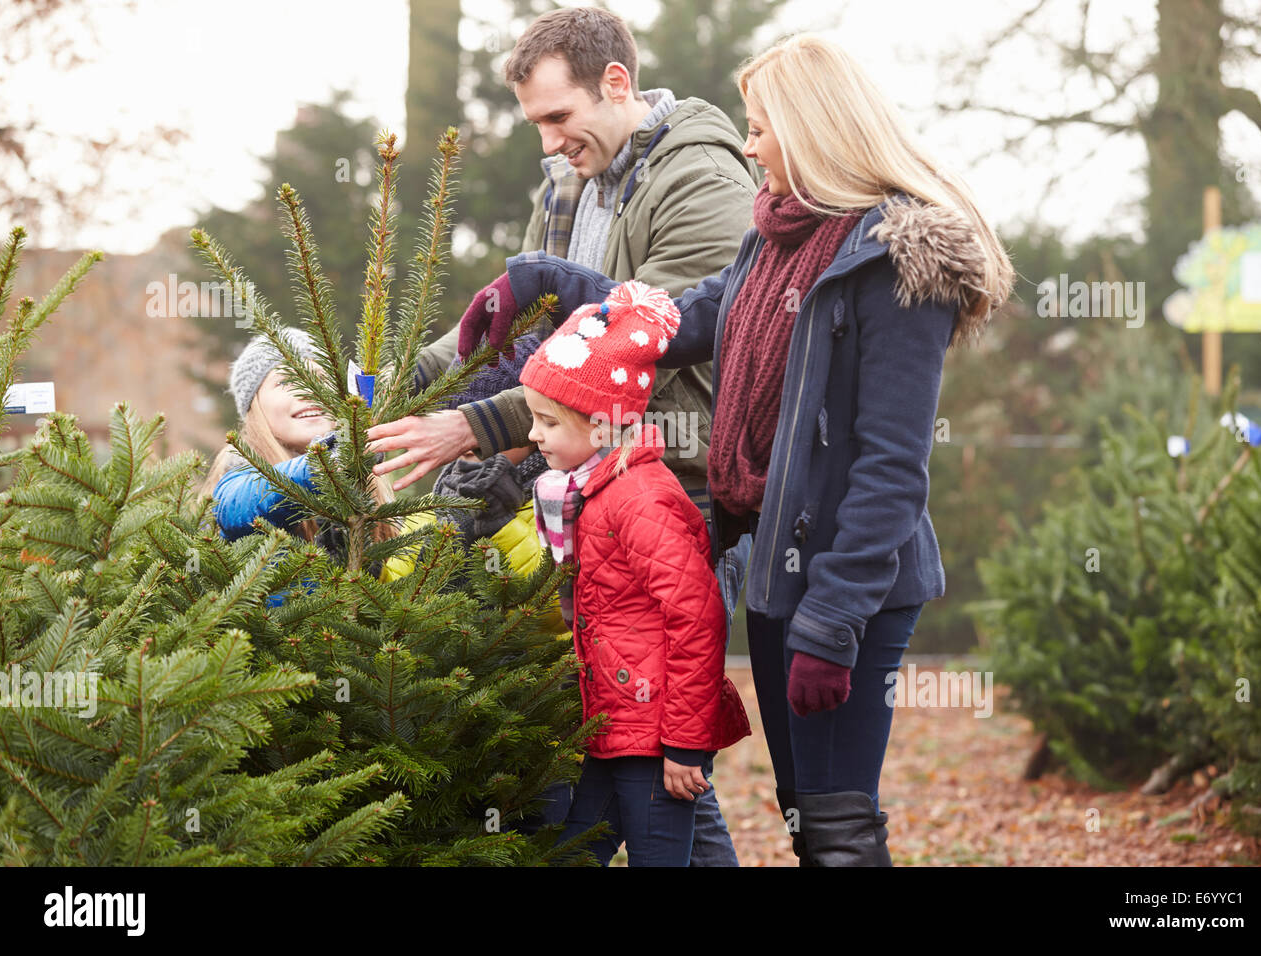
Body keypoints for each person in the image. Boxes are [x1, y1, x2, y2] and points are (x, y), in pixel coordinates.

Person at [459, 33, 1015, 865]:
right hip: (776, 569)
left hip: (847, 583)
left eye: (759, 128)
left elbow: (892, 468)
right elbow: (678, 321)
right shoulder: (774, 237)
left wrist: (833, 621)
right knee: (803, 807)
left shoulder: (896, 263)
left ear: (813, 128)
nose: (747, 145)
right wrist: (546, 278)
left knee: (834, 822)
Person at [368, 5, 757, 865]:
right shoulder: (570, 182)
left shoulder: (702, 182)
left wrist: (470, 428)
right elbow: (520, 329)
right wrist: (396, 384)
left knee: (658, 755)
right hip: (588, 483)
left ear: (616, 84)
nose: (547, 144)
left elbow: (622, 350)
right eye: (535, 123)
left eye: (557, 118)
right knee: (637, 760)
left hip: (670, 478)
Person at [518, 279, 751, 866]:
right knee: (573, 853)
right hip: (613, 729)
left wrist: (684, 745)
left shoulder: (640, 499)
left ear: (600, 426)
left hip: (654, 739)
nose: (532, 435)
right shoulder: (590, 492)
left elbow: (697, 620)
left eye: (547, 422)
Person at [202, 328, 425, 587]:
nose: (308, 391)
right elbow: (234, 510)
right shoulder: (239, 469)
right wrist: (324, 465)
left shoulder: (363, 481)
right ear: (255, 405)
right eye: (285, 382)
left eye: (320, 379)